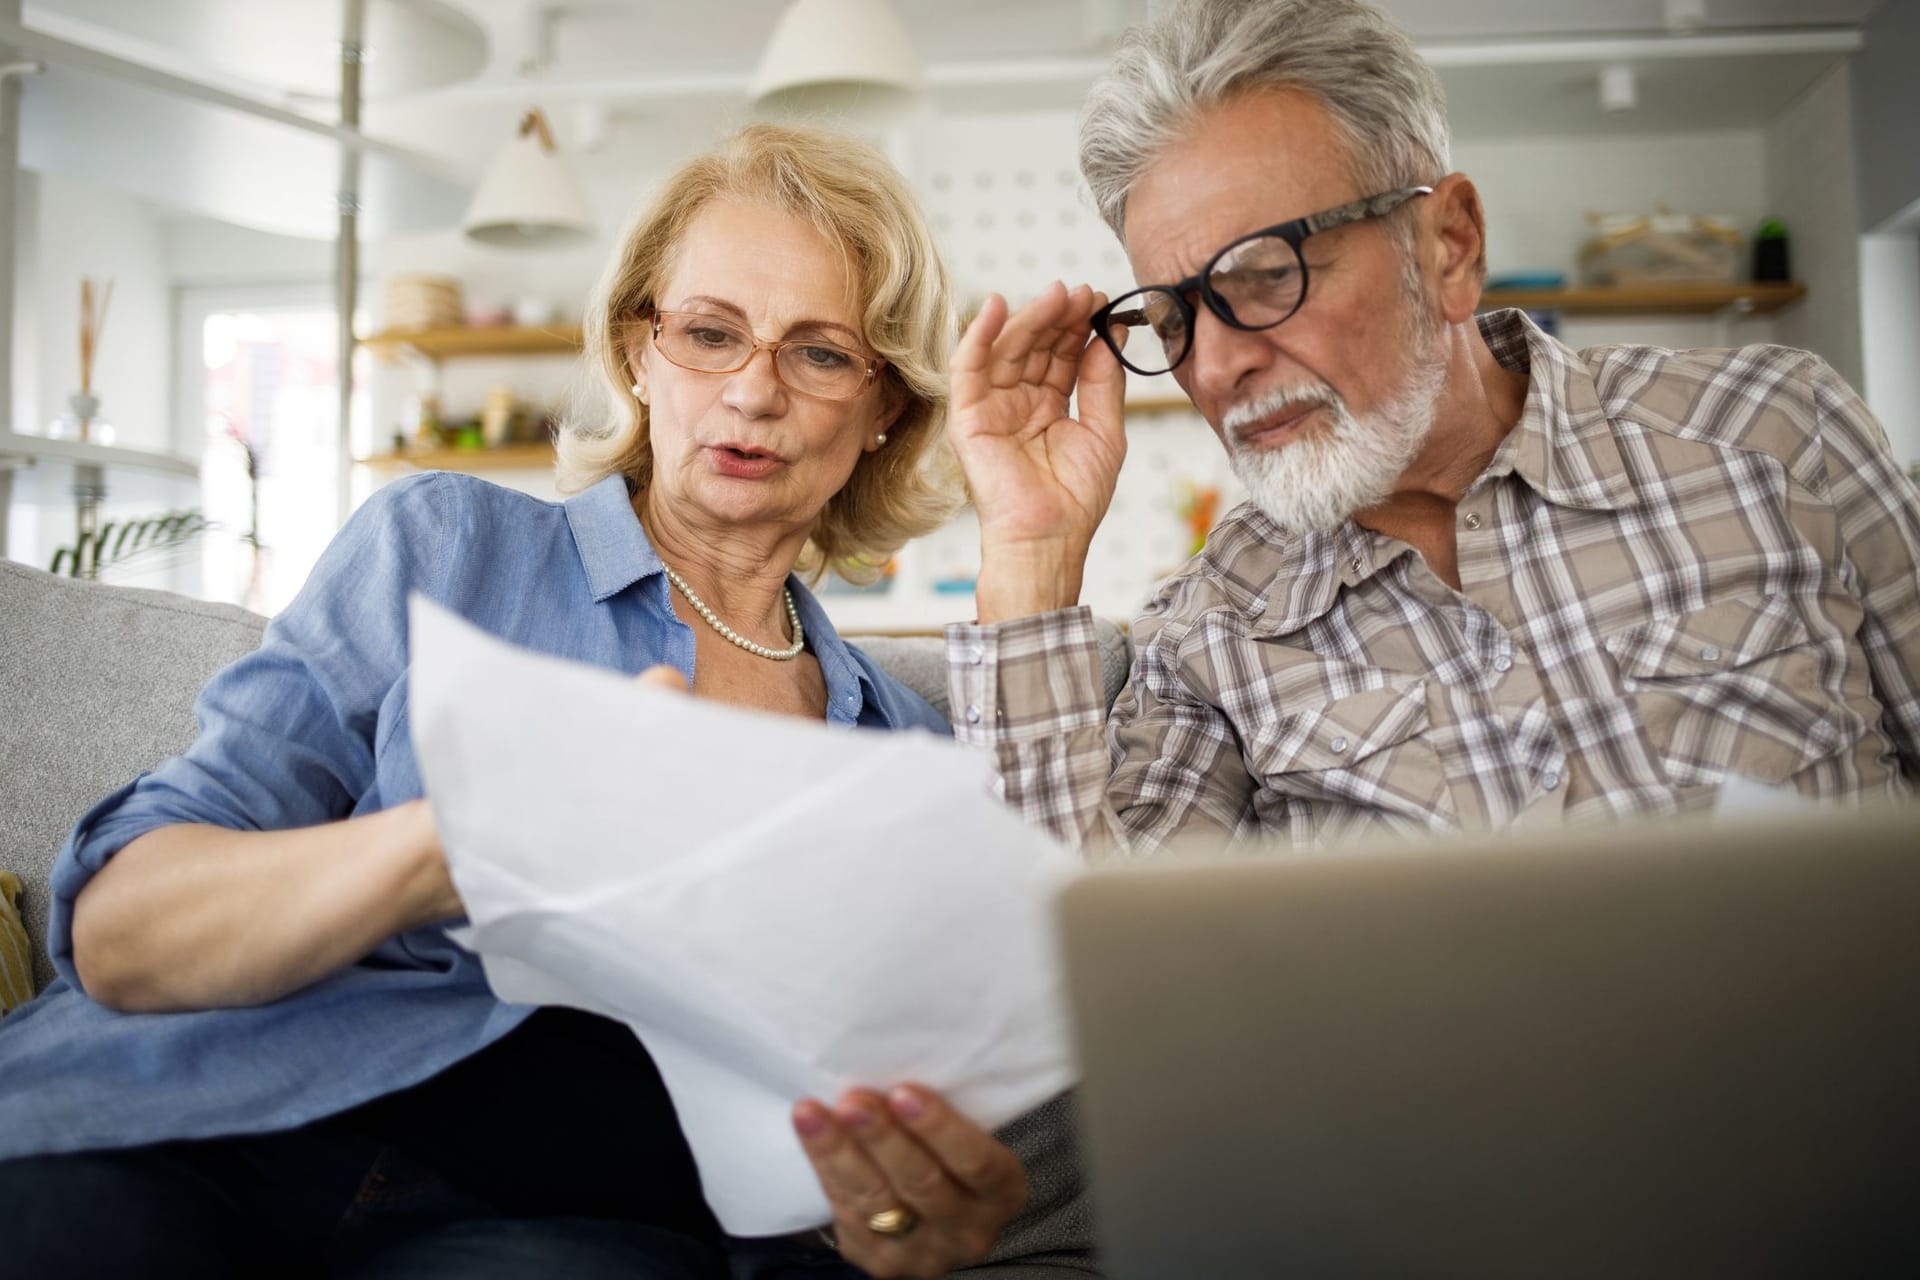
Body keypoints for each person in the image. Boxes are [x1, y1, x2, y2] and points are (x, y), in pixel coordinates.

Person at [0, 123, 1092, 1280]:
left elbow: (865, 1145)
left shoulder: (898, 748)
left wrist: (903, 1220)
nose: (754, 389)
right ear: (640, 353)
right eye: (710, 333)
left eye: (820, 354)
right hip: (199, 1126)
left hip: (567, 1227)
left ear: (884, 406)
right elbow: (119, 931)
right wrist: (445, 845)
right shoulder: (448, 544)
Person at [945, 0, 1918, 853]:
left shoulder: (1778, 433)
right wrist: (1029, 557)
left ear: (1449, 245)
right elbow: (1098, 965)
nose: (1211, 364)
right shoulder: (1208, 627)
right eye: (1173, 318)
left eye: (1268, 276)